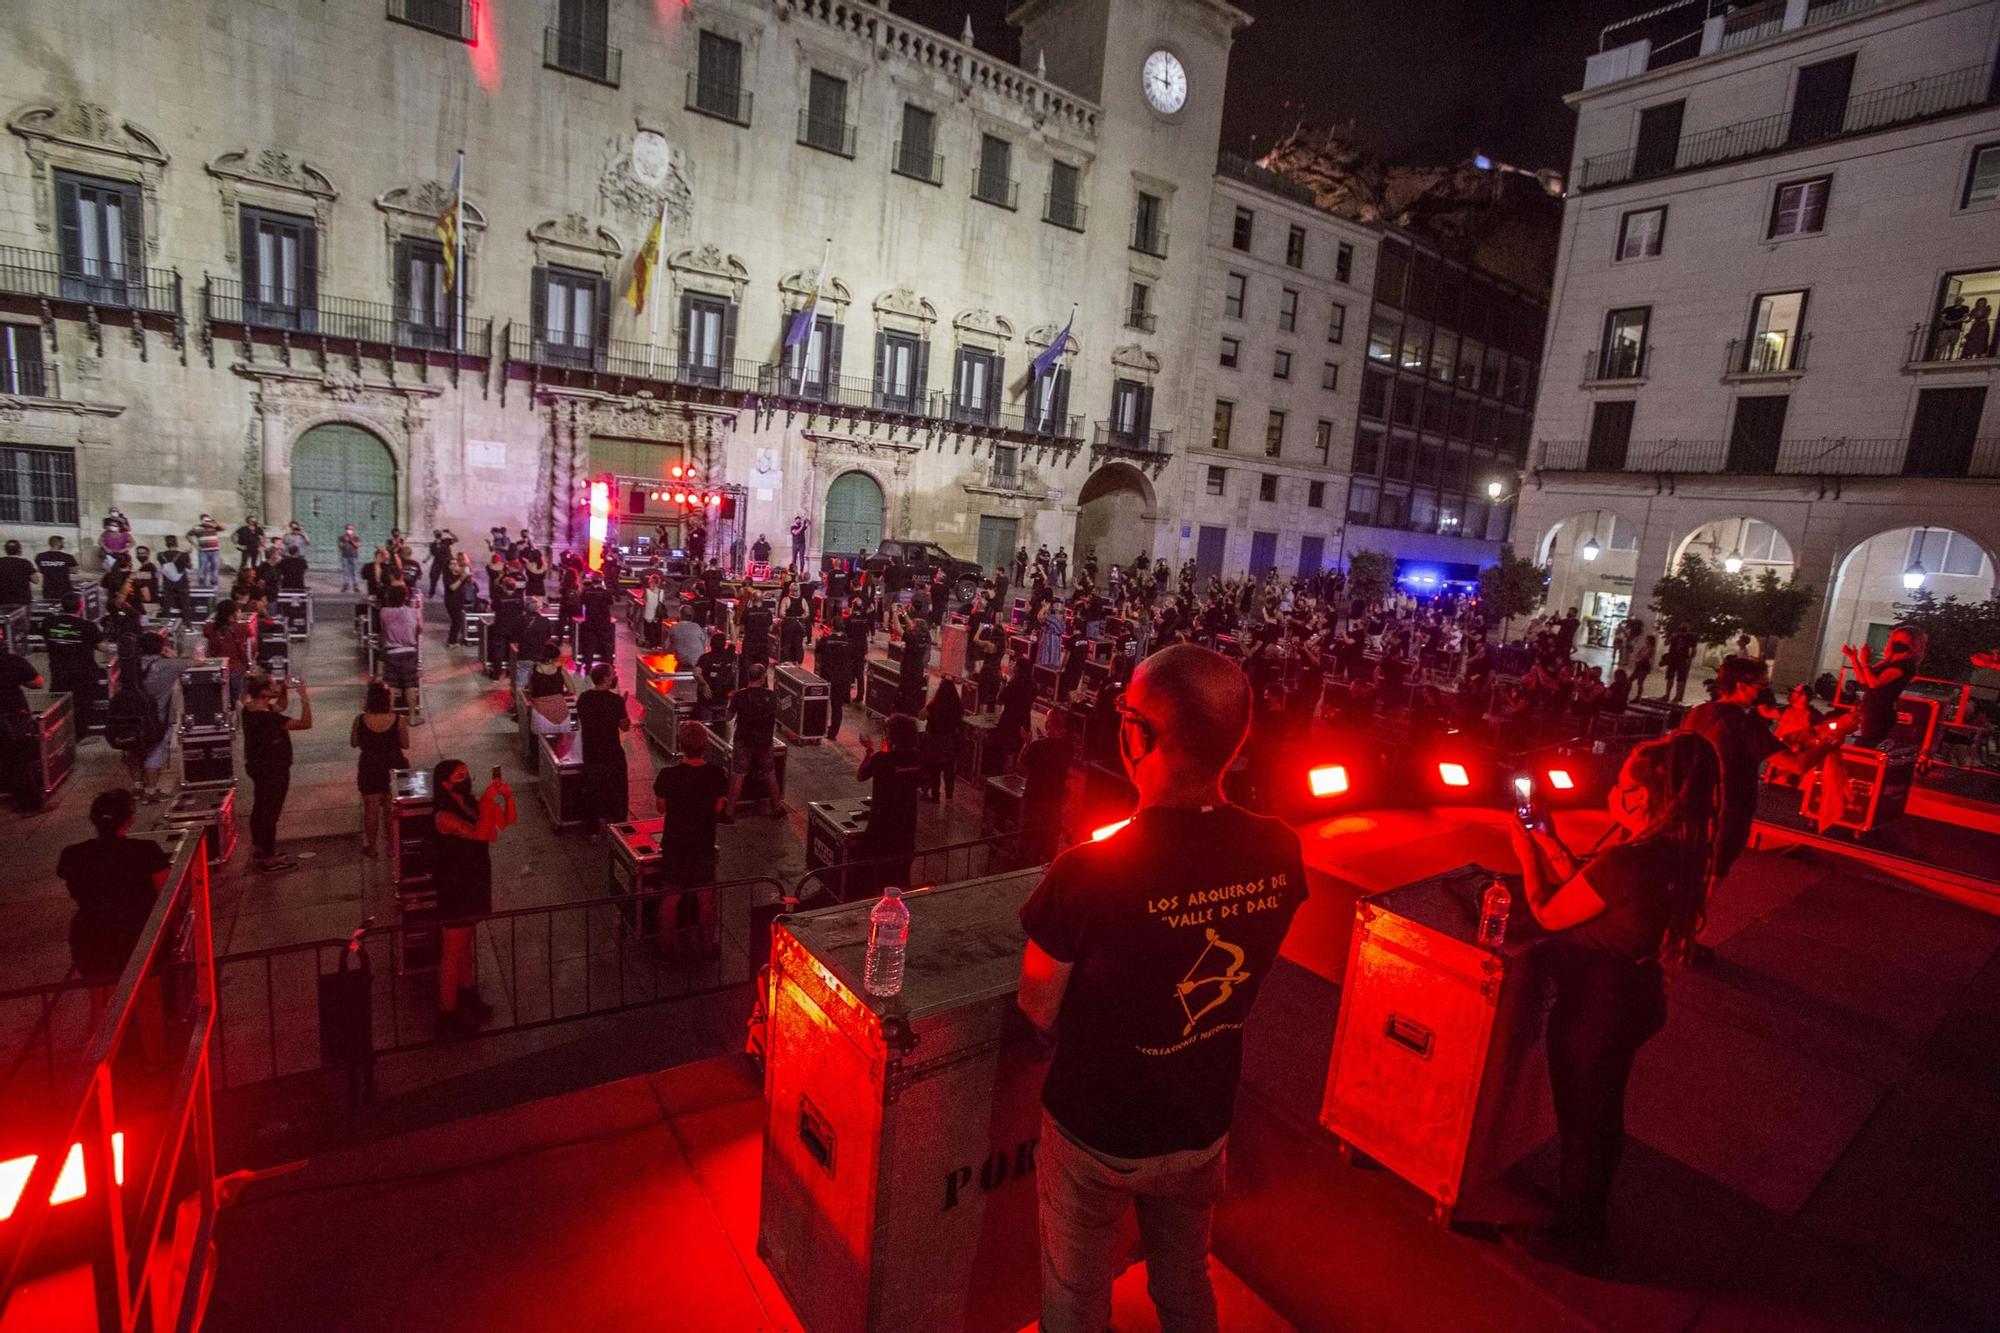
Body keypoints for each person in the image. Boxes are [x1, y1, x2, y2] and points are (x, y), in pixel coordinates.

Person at [1016, 644, 1308, 1333]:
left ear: (1138, 737)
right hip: (1201, 1122)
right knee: (1184, 1280)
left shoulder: (1086, 871)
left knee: (1075, 1298)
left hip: (1097, 1133)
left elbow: (1038, 1002)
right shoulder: (1280, 850)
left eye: (1125, 713)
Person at [1504, 734, 1722, 1269]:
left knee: (1583, 1120)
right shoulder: (1669, 850)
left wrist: (1526, 853)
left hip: (1598, 1007)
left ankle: (1577, 1236)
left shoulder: (1632, 860)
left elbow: (1551, 911)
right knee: (1602, 1115)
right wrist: (1551, 840)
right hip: (1635, 997)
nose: (1615, 790)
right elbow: (1592, 888)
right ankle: (1586, 1214)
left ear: (1644, 797)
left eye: (1624, 784)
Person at [57, 788, 172, 1022]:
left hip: (91, 935)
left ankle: (100, 1054)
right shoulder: (146, 851)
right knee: (149, 1000)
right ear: (130, 821)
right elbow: (167, 891)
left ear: (93, 820)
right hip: (138, 934)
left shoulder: (72, 855)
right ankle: (155, 1056)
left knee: (101, 1005)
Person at [430, 760, 517, 1034]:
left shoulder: (470, 802)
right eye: (459, 776)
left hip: (475, 881)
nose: (465, 779)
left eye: (467, 774)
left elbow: (502, 824)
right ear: (445, 784)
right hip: (456, 887)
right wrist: (489, 799)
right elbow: (479, 834)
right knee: (452, 951)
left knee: (466, 943)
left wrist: (506, 798)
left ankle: (467, 994)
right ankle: (447, 1014)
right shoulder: (443, 815)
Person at [654, 718, 732, 949]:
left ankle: (667, 947)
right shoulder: (716, 774)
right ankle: (707, 945)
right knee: (706, 896)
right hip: (704, 842)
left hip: (675, 843)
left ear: (680, 745)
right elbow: (719, 807)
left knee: (670, 896)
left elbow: (661, 807)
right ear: (705, 744)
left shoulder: (669, 775)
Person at [241, 673, 312, 873]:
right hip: (273, 769)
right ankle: (270, 858)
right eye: (273, 685)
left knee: (260, 806)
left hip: (257, 767)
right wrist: (305, 698)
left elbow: (279, 705)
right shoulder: (268, 719)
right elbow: (305, 723)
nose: (276, 687)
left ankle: (259, 848)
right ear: (264, 692)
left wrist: (284, 690)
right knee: (270, 813)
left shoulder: (250, 709)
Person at [856, 713, 925, 888]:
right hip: (906, 829)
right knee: (902, 877)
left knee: (880, 879)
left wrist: (869, 750)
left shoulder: (881, 759)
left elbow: (861, 775)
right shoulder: (918, 759)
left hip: (882, 829)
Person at [351, 682, 411, 857]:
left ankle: (372, 848)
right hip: (392, 765)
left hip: (369, 764)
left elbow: (354, 742)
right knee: (390, 808)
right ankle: (392, 848)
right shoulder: (398, 720)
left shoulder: (360, 719)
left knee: (371, 808)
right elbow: (405, 744)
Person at [575, 662, 632, 835]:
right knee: (618, 791)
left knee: (593, 792)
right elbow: (625, 727)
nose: (615, 676)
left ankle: (592, 829)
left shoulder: (584, 698)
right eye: (613, 674)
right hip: (612, 752)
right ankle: (619, 828)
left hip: (591, 752)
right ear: (606, 678)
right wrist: (624, 705)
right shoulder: (615, 701)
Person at [725, 662, 785, 818]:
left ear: (748, 676)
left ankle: (729, 813)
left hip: (743, 740)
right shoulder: (771, 696)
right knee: (770, 773)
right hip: (765, 741)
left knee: (738, 774)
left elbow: (728, 717)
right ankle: (777, 808)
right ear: (763, 677)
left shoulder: (740, 695)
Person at [43, 592, 106, 731]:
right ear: (81, 607)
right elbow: (103, 647)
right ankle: (79, 733)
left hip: (58, 671)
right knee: (82, 706)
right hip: (83, 674)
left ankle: (61, 731)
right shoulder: (87, 626)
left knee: (60, 703)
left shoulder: (48, 623)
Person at [1018, 706, 1073, 863]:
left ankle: (1027, 866)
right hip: (1055, 798)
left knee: (1029, 835)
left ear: (1048, 724)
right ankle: (1046, 865)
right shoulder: (1068, 748)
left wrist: (1027, 743)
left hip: (1034, 798)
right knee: (1050, 835)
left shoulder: (1038, 746)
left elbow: (1023, 763)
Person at [1, 647, 48, 809]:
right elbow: (38, 683)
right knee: (21, 759)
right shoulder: (11, 661)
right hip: (12, 716)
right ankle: (29, 803)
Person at [919, 675, 965, 802]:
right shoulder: (958, 707)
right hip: (950, 742)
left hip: (934, 741)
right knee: (949, 770)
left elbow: (921, 716)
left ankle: (935, 795)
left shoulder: (934, 705)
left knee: (935, 770)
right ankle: (949, 795)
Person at [377, 584, 422, 711]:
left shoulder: (384, 612)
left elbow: (383, 631)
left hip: (391, 652)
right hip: (409, 652)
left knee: (391, 685)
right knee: (410, 685)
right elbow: (419, 630)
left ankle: (390, 713)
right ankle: (412, 716)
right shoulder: (413, 612)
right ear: (405, 597)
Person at [814, 620, 855, 741]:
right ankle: (833, 733)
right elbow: (853, 657)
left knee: (822, 704)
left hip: (827, 677)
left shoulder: (826, 640)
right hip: (843, 678)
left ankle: (818, 731)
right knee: (837, 706)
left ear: (832, 627)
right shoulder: (849, 642)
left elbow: (817, 651)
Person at [524, 641, 574, 735]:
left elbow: (531, 690)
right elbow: (572, 690)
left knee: (539, 745)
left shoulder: (534, 669)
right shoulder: (561, 669)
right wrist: (561, 694)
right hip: (562, 713)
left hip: (541, 713)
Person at [695, 631, 736, 725]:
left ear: (711, 644)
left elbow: (697, 673)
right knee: (720, 729)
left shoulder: (705, 658)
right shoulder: (729, 655)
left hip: (706, 701)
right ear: (725, 644)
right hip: (722, 701)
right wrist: (731, 621)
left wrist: (704, 685)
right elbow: (734, 640)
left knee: (706, 729)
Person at [35, 535, 78, 603]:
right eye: (62, 542)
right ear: (59, 543)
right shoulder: (67, 557)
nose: (63, 544)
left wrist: (51, 568)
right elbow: (75, 570)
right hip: (64, 588)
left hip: (48, 588)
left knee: (49, 607)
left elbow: (40, 570)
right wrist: (62, 569)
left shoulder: (40, 556)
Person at [189, 514, 225, 589]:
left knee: (215, 568)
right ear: (201, 520)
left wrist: (214, 521)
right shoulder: (197, 528)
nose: (206, 521)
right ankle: (202, 584)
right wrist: (196, 546)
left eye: (208, 520)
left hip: (214, 551)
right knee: (202, 568)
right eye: (205, 520)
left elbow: (223, 528)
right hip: (203, 551)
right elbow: (188, 535)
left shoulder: (213, 526)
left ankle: (214, 583)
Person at [0, 538, 36, 605]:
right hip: (22, 599)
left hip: (3, 598)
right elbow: (35, 580)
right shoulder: (25, 563)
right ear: (19, 550)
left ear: (6, 550)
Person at [337, 524, 363, 593]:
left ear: (353, 530)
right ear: (345, 530)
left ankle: (356, 586)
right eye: (348, 529)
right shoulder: (341, 538)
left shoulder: (356, 538)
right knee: (345, 572)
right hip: (345, 557)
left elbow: (358, 545)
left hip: (354, 556)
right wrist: (345, 541)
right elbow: (340, 546)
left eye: (351, 529)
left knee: (354, 572)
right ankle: (346, 585)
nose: (349, 530)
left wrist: (351, 540)